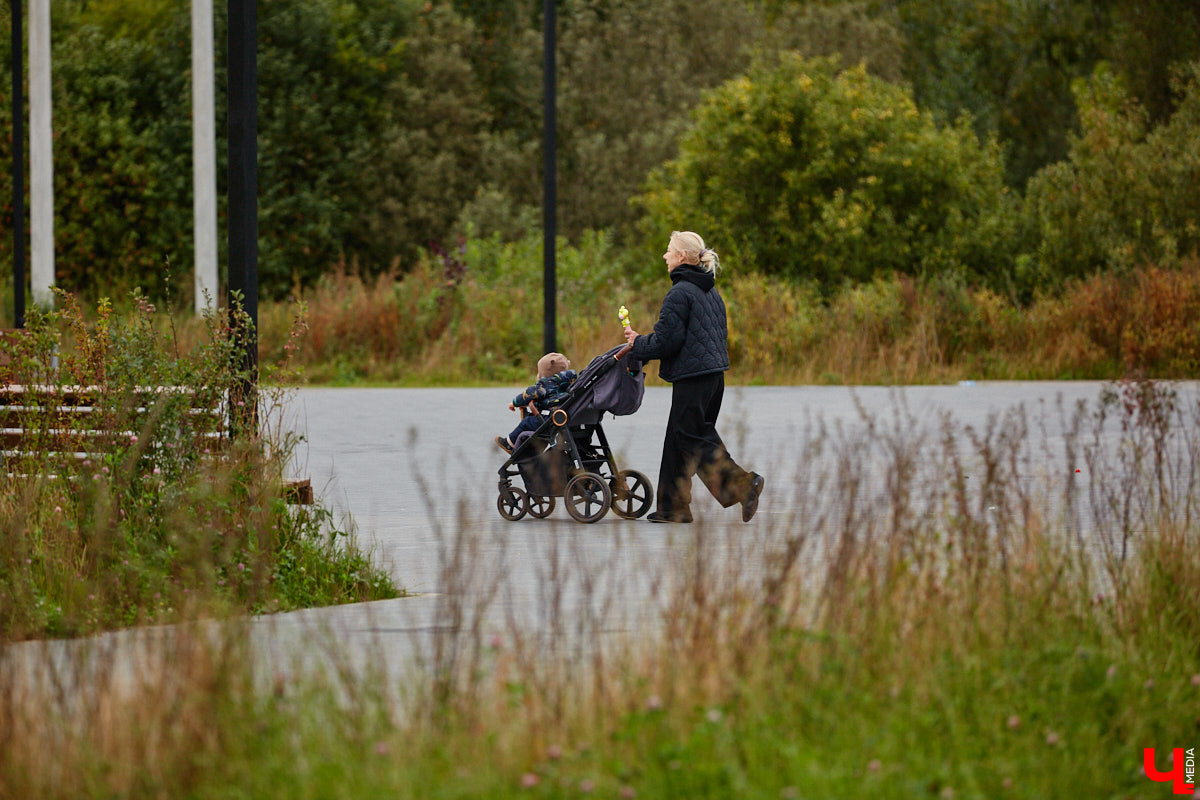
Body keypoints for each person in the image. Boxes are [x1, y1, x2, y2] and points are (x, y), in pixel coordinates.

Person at [623, 231, 764, 523]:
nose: (665, 255)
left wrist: (637, 343)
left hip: (694, 378)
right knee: (681, 437)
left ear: (682, 257)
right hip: (713, 377)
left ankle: (742, 484)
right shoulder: (710, 293)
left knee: (692, 436)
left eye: (669, 250)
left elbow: (667, 341)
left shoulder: (680, 293)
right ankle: (672, 508)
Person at [495, 352, 577, 454]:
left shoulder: (546, 384)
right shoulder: (569, 383)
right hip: (561, 416)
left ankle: (509, 444)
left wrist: (514, 403)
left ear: (546, 373)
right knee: (533, 416)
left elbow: (529, 394)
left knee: (527, 422)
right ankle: (526, 415)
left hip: (549, 420)